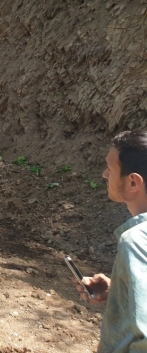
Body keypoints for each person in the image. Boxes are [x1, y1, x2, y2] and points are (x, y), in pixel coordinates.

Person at [75, 130, 147, 352]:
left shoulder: (135, 240)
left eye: (110, 168)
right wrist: (119, 290)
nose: (105, 174)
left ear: (133, 182)